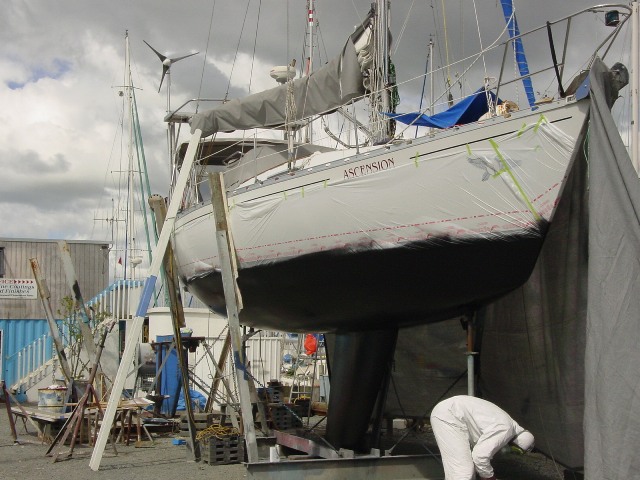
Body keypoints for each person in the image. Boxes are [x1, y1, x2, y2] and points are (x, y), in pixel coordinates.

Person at [430, 395, 535, 480]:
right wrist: (489, 477)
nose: (510, 452)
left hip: (451, 413)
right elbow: (480, 457)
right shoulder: (505, 429)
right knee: (462, 472)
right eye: (515, 450)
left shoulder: (507, 423)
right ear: (516, 441)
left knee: (465, 472)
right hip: (450, 415)